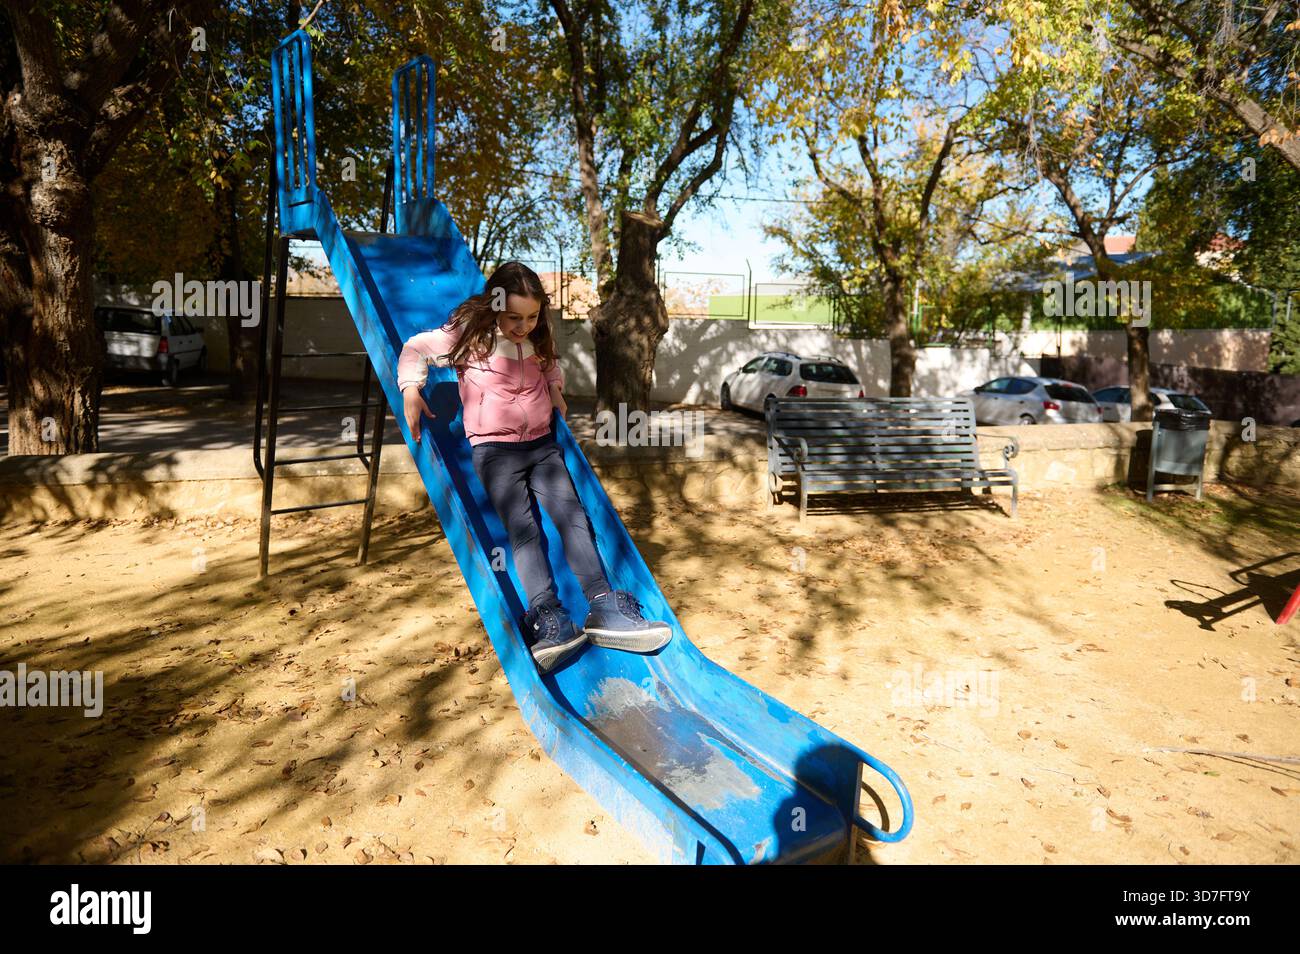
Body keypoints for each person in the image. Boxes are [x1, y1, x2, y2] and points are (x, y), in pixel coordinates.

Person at [396, 261, 671, 672]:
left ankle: (602, 607)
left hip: (542, 444)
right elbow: (416, 348)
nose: (524, 325)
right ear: (495, 306)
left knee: (573, 517)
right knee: (525, 532)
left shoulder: (537, 334)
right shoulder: (470, 336)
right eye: (514, 318)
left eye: (532, 316)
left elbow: (550, 363)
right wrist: (411, 389)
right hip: (495, 451)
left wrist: (556, 389)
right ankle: (548, 617)